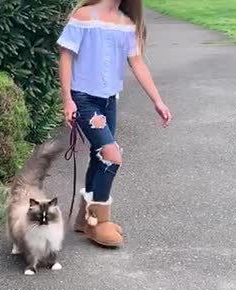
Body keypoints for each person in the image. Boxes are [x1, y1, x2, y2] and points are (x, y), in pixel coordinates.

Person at [57, 0, 172, 248]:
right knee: (112, 155)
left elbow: (138, 63)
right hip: (83, 97)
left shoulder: (126, 24)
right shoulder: (84, 16)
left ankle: (85, 219)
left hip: (109, 100)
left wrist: (157, 101)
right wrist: (68, 99)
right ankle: (98, 223)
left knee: (100, 155)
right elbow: (66, 56)